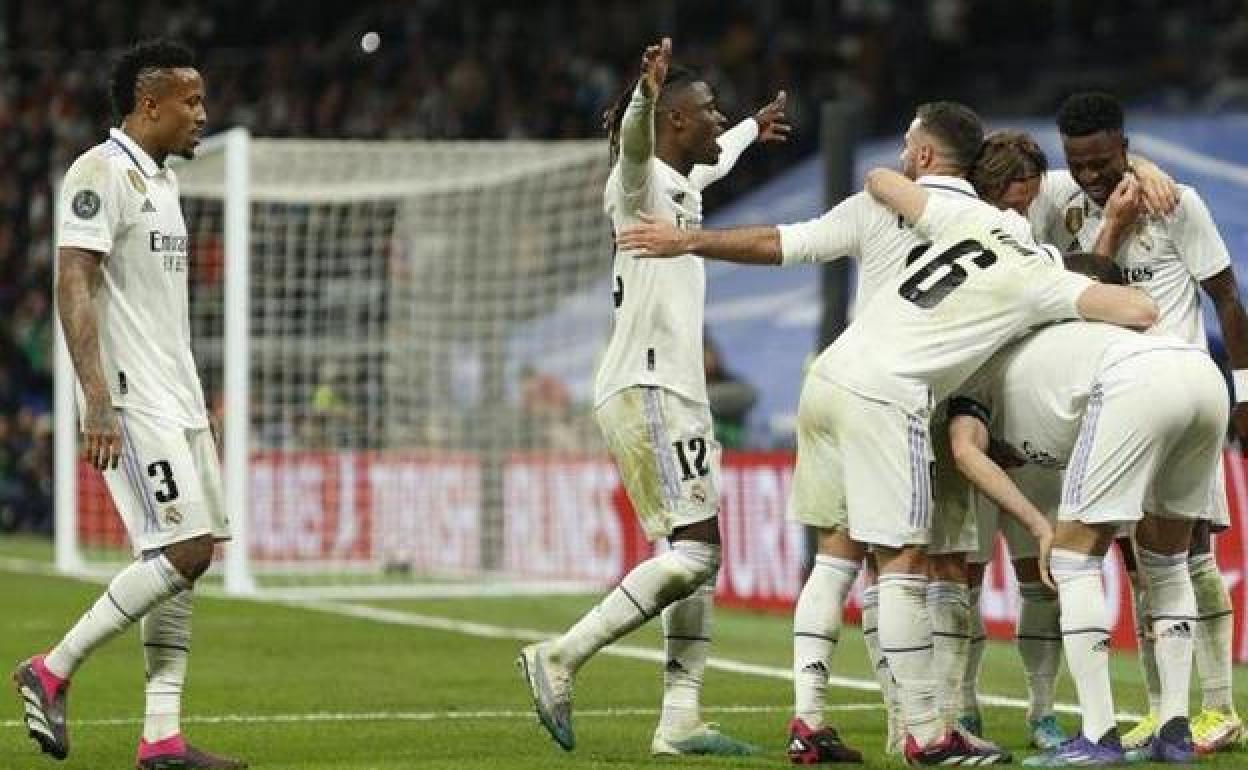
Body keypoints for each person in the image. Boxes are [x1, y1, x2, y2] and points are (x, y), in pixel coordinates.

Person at [516, 37, 789, 758]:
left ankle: (680, 719)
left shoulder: (683, 187)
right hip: (649, 385)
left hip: (673, 389)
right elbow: (637, 143)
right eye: (710, 111)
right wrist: (645, 91)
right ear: (675, 121)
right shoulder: (635, 183)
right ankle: (560, 656)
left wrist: (751, 128)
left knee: (698, 556)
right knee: (695, 555)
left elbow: (718, 156)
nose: (718, 118)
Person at [13, 40, 246, 770]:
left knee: (188, 559)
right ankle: (51, 669)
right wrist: (96, 398)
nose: (202, 114)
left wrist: (197, 407)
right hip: (131, 399)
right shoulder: (100, 171)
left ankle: (162, 737)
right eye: (191, 101)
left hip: (178, 399)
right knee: (183, 549)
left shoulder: (163, 183)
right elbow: (73, 279)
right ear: (150, 105)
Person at [1030, 91, 1246, 755]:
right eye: (1078, 162)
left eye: (1103, 161)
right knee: (1142, 566)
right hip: (1115, 403)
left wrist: (1244, 396)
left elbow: (1227, 298)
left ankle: (1219, 706)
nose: (1090, 174)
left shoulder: (1175, 203)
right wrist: (1129, 175)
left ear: (1123, 146)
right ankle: (1162, 711)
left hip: (1180, 395)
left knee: (1192, 555)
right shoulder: (1062, 198)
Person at [944, 318, 1226, 766]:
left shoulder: (971, 377)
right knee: (1167, 563)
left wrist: (1041, 527)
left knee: (1072, 562)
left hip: (1133, 382)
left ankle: (1098, 736)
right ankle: (1174, 733)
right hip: (1202, 375)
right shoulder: (1039, 355)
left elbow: (964, 451)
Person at [703, 332, 757, 449]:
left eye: (709, 354)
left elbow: (750, 395)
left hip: (731, 450)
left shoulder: (734, 386)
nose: (707, 360)